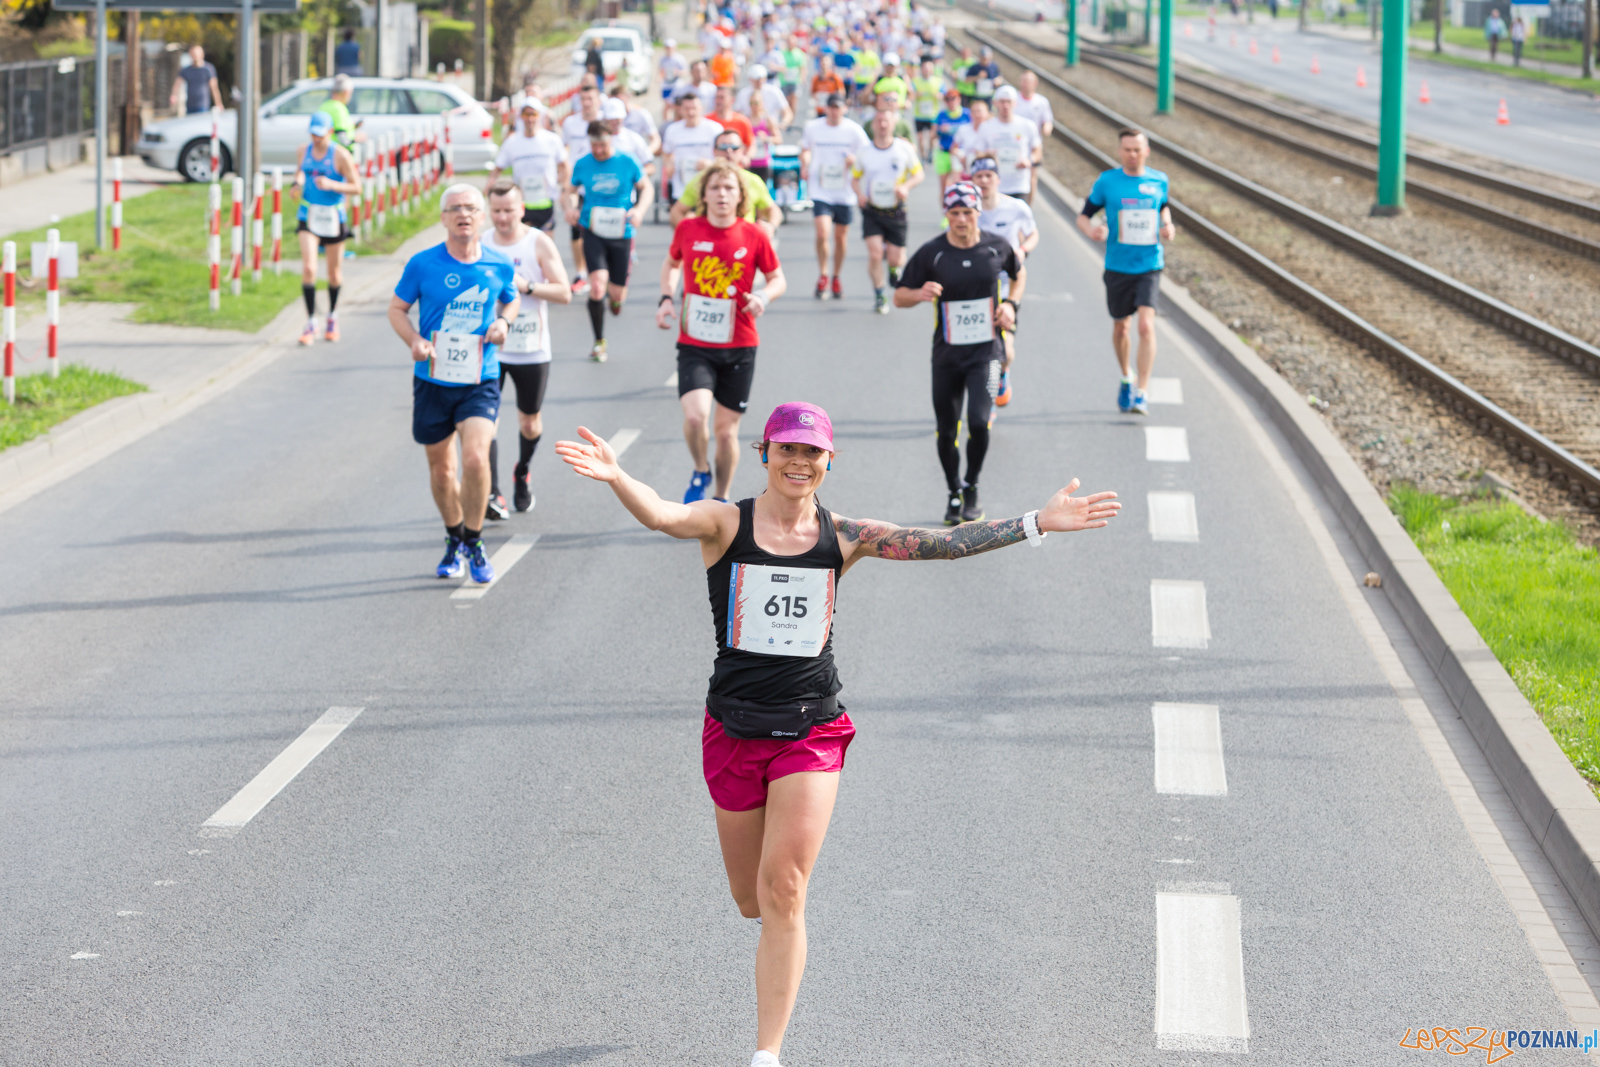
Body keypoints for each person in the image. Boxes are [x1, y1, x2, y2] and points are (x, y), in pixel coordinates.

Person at [551, 401, 1119, 1067]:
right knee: (749, 898)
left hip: (810, 729)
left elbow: (938, 541)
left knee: (785, 886)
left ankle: (768, 1052)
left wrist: (1035, 522)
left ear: (829, 461)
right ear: (766, 453)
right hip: (732, 728)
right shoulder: (724, 522)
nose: (799, 462)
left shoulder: (844, 534)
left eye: (811, 452)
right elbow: (662, 513)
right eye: (787, 450)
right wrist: (620, 477)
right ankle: (774, 930)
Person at [387, 184, 520, 583]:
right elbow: (397, 309)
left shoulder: (498, 265)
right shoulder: (422, 264)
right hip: (432, 378)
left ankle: (475, 542)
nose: (463, 214)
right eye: (455, 208)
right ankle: (453, 537)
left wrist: (503, 322)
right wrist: (414, 340)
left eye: (471, 208)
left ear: (483, 217)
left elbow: (510, 299)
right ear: (444, 218)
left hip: (481, 377)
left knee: (477, 459)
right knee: (443, 471)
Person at [656, 160, 787, 504]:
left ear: (740, 195)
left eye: (729, 188)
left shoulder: (754, 234)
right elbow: (671, 263)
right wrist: (667, 298)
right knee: (696, 416)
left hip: (740, 344)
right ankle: (700, 468)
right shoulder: (688, 229)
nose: (722, 194)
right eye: (714, 188)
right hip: (695, 343)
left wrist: (762, 296)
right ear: (704, 195)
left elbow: (777, 279)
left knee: (726, 433)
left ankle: (720, 498)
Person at [894, 182, 1025, 524]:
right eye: (955, 213)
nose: (962, 219)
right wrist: (919, 292)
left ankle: (972, 486)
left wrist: (1011, 304)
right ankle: (953, 490)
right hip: (947, 357)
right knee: (947, 429)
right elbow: (899, 296)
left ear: (979, 213)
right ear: (947, 215)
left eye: (968, 212)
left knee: (980, 423)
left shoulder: (997, 248)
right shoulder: (932, 253)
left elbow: (1019, 274)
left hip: (988, 354)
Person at [485, 179, 571, 515]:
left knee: (529, 423)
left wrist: (528, 286)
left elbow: (564, 292)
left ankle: (522, 471)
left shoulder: (538, 243)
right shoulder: (480, 244)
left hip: (530, 347)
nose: (503, 217)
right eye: (496, 211)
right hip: (490, 346)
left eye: (509, 210)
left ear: (522, 209)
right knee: (484, 421)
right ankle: (493, 493)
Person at [1076, 128, 1174, 416]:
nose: (1133, 155)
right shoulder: (1108, 182)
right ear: (1120, 152)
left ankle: (1142, 392)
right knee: (1122, 327)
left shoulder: (1159, 180)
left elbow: (1164, 208)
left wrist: (1168, 225)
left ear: (1146, 151)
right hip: (1117, 266)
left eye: (1137, 149)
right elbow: (1083, 215)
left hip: (1149, 264)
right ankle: (1126, 376)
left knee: (1145, 326)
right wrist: (1091, 230)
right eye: (1127, 149)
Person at [565, 120, 652, 363]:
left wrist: (639, 210)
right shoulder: (583, 163)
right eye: (594, 146)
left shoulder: (627, 161)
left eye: (602, 145)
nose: (599, 151)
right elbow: (569, 192)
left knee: (616, 295)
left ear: (611, 139)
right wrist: (570, 208)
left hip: (622, 231)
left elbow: (647, 188)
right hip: (593, 229)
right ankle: (599, 341)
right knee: (597, 286)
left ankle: (616, 299)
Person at [970, 154, 1038, 408]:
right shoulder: (968, 211)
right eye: (979, 177)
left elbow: (1032, 234)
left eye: (989, 176)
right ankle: (983, 402)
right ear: (973, 180)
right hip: (975, 291)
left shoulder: (1016, 208)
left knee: (1005, 352)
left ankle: (1002, 374)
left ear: (998, 179)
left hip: (1006, 288)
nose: (984, 181)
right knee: (980, 351)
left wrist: (1021, 252)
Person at [293, 111, 361, 345]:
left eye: (320, 135)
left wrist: (332, 184)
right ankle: (311, 321)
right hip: (308, 214)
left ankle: (332, 316)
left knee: (333, 273)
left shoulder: (340, 155)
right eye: (313, 134)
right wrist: (297, 184)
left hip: (333, 217)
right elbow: (300, 172)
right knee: (310, 268)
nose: (316, 139)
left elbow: (357, 187)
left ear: (330, 133)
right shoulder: (304, 150)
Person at [851, 106, 924, 315]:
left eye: (886, 122)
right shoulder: (864, 151)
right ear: (873, 125)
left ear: (893, 125)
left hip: (896, 210)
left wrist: (905, 187)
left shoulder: (903, 149)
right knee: (875, 254)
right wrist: (859, 195)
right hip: (872, 210)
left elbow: (918, 175)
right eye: (879, 122)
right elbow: (854, 178)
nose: (882, 125)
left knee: (895, 257)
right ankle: (880, 293)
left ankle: (894, 268)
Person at [800, 92, 870, 301]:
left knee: (840, 237)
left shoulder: (854, 130)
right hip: (820, 188)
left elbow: (866, 154)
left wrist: (854, 159)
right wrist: (804, 164)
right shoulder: (813, 128)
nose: (834, 111)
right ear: (826, 108)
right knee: (822, 232)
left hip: (844, 190)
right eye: (831, 107)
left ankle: (836, 275)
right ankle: (823, 274)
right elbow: (804, 149)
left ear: (844, 109)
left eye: (838, 107)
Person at [671, 129, 783, 235]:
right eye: (723, 147)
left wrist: (771, 227)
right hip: (708, 245)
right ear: (714, 151)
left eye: (734, 147)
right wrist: (688, 234)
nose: (729, 151)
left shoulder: (753, 180)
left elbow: (772, 210)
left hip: (743, 246)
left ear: (742, 151)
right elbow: (677, 211)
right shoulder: (701, 180)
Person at [487, 99, 568, 233]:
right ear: (521, 117)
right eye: (526, 114)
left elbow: (564, 165)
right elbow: (496, 170)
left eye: (534, 114)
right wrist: (490, 190)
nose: (530, 119)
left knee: (545, 245)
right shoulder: (512, 142)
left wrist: (563, 188)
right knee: (523, 244)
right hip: (522, 203)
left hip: (546, 201)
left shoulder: (551, 140)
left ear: (539, 116)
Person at [560, 83, 607, 290]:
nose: (586, 104)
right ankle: (581, 272)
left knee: (601, 229)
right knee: (576, 228)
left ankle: (601, 270)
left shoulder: (605, 121)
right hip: (577, 184)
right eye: (583, 99)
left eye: (591, 99)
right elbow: (563, 150)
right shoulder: (570, 123)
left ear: (598, 101)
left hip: (602, 184)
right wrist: (564, 178)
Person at [979, 85, 1042, 205]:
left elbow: (1037, 150)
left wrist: (1029, 160)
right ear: (995, 103)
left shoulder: (1027, 125)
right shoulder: (986, 127)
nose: (1005, 105)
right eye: (1002, 101)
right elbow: (978, 153)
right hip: (995, 186)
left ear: (1015, 103)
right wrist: (988, 155)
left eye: (1009, 101)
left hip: (1019, 185)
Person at [662, 88, 725, 207]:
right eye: (687, 109)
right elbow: (666, 153)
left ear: (701, 108)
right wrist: (669, 165)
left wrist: (711, 164)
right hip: (681, 190)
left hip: (708, 189)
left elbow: (725, 156)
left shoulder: (715, 129)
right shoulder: (672, 130)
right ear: (680, 110)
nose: (691, 112)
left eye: (694, 108)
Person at [931, 86, 970, 193]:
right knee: (944, 188)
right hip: (944, 152)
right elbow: (932, 134)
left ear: (959, 99)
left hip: (959, 152)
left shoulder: (967, 114)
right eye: (947, 99)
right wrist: (940, 130)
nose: (951, 101)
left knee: (958, 185)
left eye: (953, 98)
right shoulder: (941, 115)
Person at [736, 64, 795, 131]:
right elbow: (738, 114)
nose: (759, 82)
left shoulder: (774, 91)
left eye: (762, 78)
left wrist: (783, 123)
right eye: (756, 79)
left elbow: (787, 112)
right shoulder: (743, 93)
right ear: (750, 79)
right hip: (749, 130)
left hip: (771, 130)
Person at [910, 55, 946, 162]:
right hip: (919, 115)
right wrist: (916, 94)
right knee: (920, 139)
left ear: (932, 69)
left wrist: (939, 96)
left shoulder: (938, 81)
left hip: (933, 115)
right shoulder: (916, 81)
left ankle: (930, 152)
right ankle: (922, 157)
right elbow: (911, 96)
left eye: (929, 68)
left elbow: (944, 95)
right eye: (924, 68)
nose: (926, 70)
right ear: (921, 69)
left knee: (932, 137)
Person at [171, 44, 221, 116]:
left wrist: (218, 104)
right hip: (190, 105)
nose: (195, 56)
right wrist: (174, 95)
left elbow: (214, 88)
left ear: (202, 54)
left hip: (203, 105)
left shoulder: (208, 69)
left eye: (196, 54)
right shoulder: (186, 70)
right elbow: (177, 83)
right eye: (193, 54)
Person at [613, 82, 661, 155]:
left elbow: (655, 139)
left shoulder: (641, 113)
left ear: (628, 96)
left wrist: (646, 153)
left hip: (637, 154)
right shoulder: (609, 117)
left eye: (620, 100)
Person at [659, 39, 686, 107]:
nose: (668, 49)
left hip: (677, 85)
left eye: (670, 47)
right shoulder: (662, 59)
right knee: (667, 106)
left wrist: (677, 72)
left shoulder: (679, 58)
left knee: (677, 106)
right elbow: (660, 71)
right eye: (667, 47)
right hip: (666, 85)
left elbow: (685, 71)